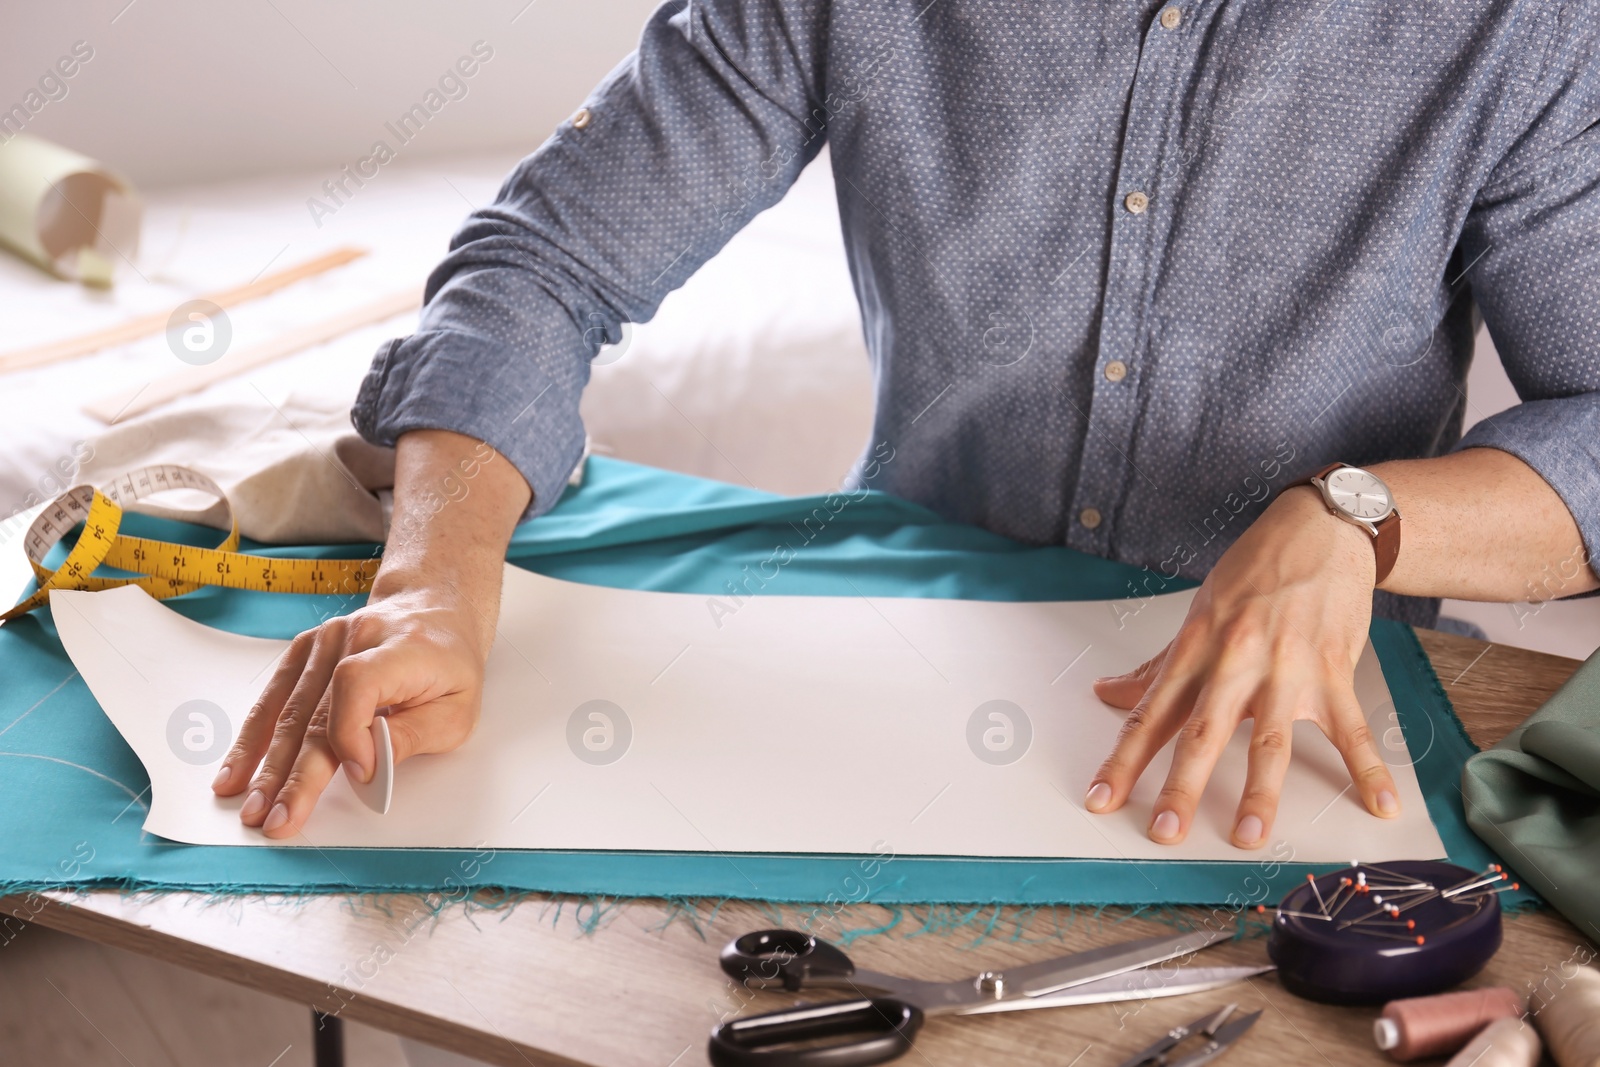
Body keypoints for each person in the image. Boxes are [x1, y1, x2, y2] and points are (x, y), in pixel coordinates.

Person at [211, 0, 1600, 847]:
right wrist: (433, 586)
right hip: (900, 677)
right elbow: (545, 258)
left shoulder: (1519, 22)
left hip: (1302, 740)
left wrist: (1356, 517)